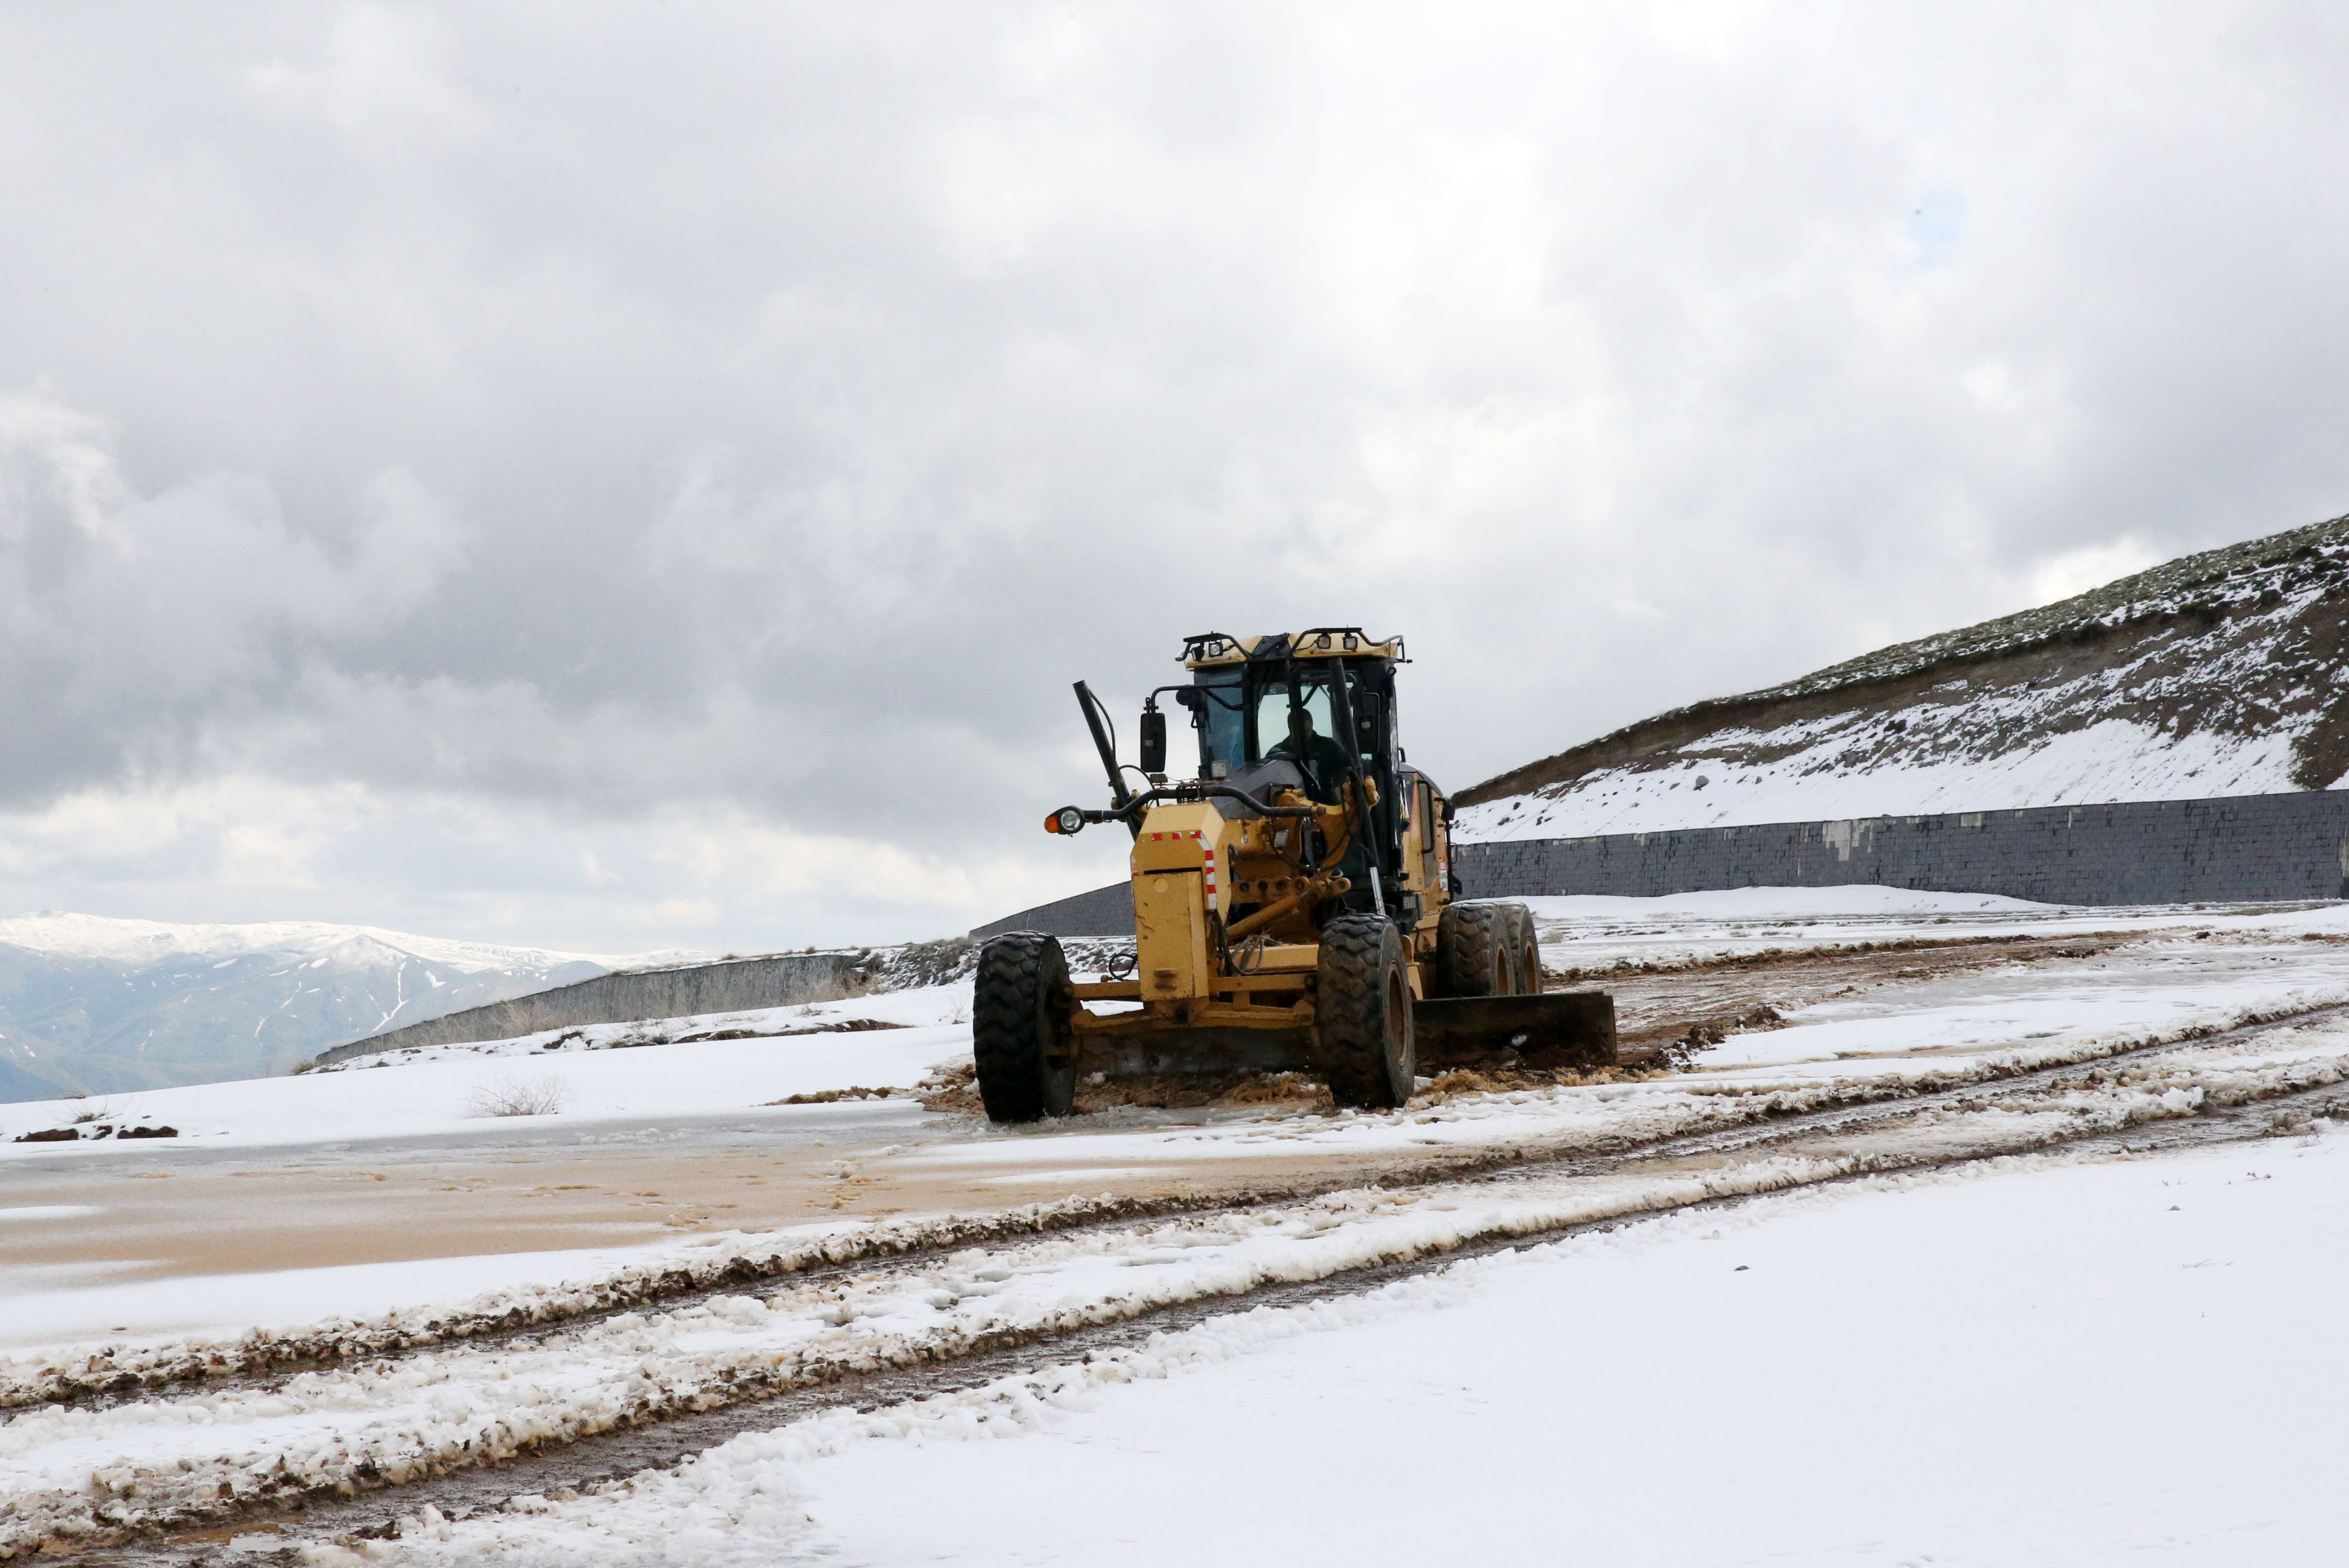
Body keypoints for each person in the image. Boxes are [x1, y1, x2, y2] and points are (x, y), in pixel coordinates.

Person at [1268, 704, 1353, 804]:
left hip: (1326, 805)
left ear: (1312, 724)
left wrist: (1338, 793)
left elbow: (1347, 771)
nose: (1301, 731)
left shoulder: (1328, 747)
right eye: (1296, 726)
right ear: (1290, 726)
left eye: (1305, 727)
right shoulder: (1277, 752)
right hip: (1288, 807)